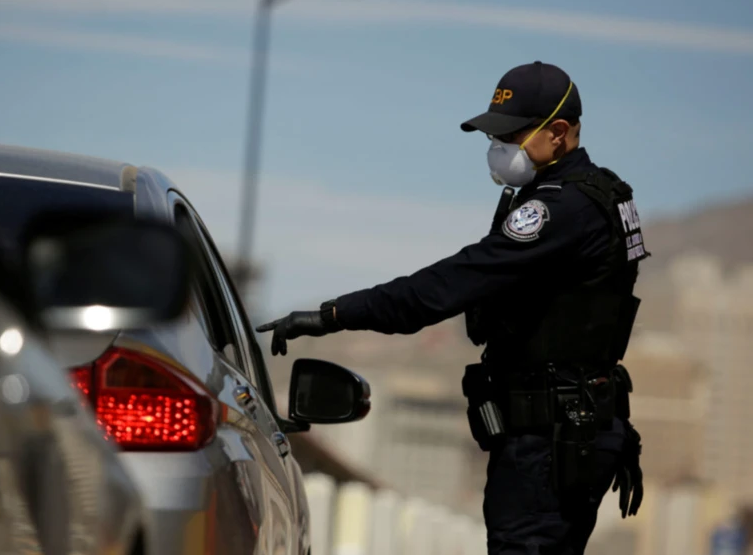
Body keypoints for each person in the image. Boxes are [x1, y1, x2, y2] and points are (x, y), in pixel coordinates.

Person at [257, 61, 648, 554]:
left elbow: (445, 287)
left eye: (513, 135)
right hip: (571, 428)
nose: (498, 148)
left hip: (548, 442)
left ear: (559, 132)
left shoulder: (560, 208)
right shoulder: (602, 194)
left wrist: (335, 315)